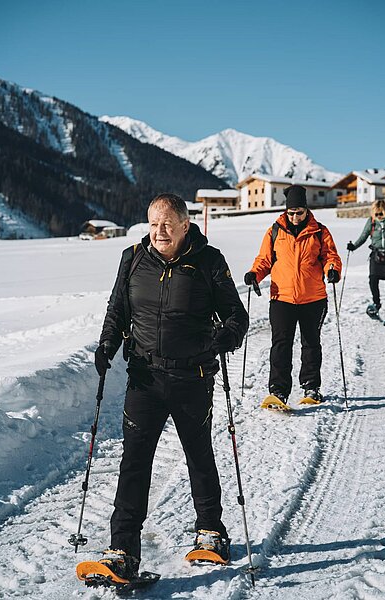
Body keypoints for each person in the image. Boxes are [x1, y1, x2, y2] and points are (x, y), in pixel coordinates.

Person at [94, 193, 249, 580]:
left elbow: (236, 314)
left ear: (184, 224)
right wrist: (106, 345)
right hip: (144, 377)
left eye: (167, 224)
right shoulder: (132, 259)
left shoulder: (209, 261)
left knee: (198, 454)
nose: (159, 231)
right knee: (134, 462)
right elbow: (117, 310)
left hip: (192, 377)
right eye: (153, 223)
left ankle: (211, 531)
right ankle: (122, 550)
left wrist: (228, 336)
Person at [244, 184, 342, 405]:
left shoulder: (320, 231)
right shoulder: (275, 231)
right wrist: (254, 274)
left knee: (311, 344)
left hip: (313, 299)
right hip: (282, 299)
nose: (295, 217)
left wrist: (333, 270)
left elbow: (330, 256)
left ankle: (311, 388)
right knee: (281, 344)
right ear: (286, 211)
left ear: (306, 210)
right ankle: (278, 391)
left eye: (299, 212)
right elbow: (264, 260)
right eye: (291, 213)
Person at [347, 199, 385, 326]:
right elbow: (363, 236)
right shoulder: (372, 222)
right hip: (376, 256)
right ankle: (376, 303)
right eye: (377, 213)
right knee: (372, 279)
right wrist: (353, 246)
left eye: (381, 213)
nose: (379, 216)